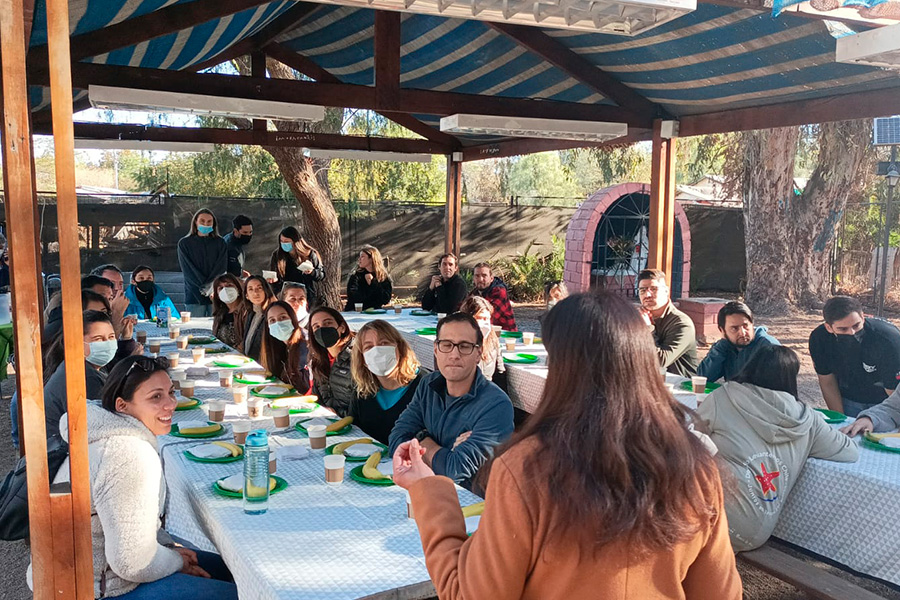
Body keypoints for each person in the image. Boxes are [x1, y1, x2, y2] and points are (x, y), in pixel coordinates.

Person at [392, 293, 741, 599]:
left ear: (560, 369)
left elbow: (471, 593)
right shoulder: (697, 469)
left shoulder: (527, 469)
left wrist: (428, 491)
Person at [48, 355, 238, 599]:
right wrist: (176, 561)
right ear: (122, 406)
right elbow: (131, 563)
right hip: (98, 588)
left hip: (88, 573)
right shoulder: (127, 454)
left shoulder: (112, 434)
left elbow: (138, 526)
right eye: (155, 397)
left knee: (229, 569)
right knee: (240, 593)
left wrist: (169, 549)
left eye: (171, 392)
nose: (171, 404)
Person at [696, 345, 858, 552]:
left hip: (716, 519)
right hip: (756, 532)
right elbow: (850, 451)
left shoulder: (724, 397)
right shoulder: (807, 418)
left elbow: (691, 440)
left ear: (750, 366)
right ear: (791, 377)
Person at [388, 312, 514, 488]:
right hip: (426, 489)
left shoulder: (496, 405)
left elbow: (454, 471)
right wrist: (427, 439)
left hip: (474, 505)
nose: (454, 354)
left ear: (478, 353)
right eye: (446, 345)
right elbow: (396, 440)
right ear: (436, 349)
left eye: (464, 346)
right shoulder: (428, 385)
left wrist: (419, 441)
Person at [12, 310, 116, 449]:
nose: (107, 343)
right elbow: (104, 428)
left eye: (111, 337)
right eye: (98, 339)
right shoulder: (85, 377)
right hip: (60, 456)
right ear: (77, 342)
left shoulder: (77, 365)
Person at [809, 296, 900, 417]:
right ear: (829, 327)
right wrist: (841, 420)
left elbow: (894, 393)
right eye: (843, 329)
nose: (852, 332)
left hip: (884, 402)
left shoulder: (887, 339)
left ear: (863, 317)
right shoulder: (820, 339)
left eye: (856, 326)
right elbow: (827, 382)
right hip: (848, 399)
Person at [349, 320, 425, 445]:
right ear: (362, 359)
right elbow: (354, 431)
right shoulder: (362, 391)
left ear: (399, 348)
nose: (377, 351)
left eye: (384, 343)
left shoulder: (425, 385)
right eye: (369, 347)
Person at [697, 301, 780, 382]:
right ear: (722, 330)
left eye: (745, 326)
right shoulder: (726, 346)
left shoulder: (769, 347)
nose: (742, 333)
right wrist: (721, 347)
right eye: (734, 328)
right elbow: (703, 378)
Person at [637, 269, 698, 377]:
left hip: (680, 387)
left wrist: (647, 329)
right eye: (643, 290)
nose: (647, 294)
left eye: (653, 289)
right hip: (646, 383)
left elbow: (660, 361)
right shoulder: (637, 317)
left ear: (666, 291)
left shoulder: (682, 323)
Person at [177, 208, 227, 318]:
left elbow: (221, 268)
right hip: (194, 296)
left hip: (216, 295)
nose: (206, 224)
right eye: (202, 221)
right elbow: (188, 270)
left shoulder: (220, 242)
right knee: (195, 332)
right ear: (195, 222)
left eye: (209, 221)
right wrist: (205, 289)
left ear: (214, 224)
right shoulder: (184, 243)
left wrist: (212, 288)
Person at [308, 307, 356, 417]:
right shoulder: (318, 360)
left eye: (328, 323)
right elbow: (316, 397)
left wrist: (338, 415)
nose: (322, 330)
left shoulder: (356, 358)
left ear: (342, 327)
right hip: (325, 421)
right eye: (316, 327)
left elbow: (362, 406)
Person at [261, 301, 311, 394]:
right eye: (272, 320)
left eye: (283, 317)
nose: (278, 323)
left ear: (292, 318)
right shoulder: (276, 345)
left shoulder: (306, 345)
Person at [268, 226, 325, 305]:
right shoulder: (277, 255)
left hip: (307, 297)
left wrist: (312, 272)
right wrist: (273, 281)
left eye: (287, 241)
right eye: (282, 241)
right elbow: (276, 276)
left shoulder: (310, 254)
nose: (284, 244)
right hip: (286, 296)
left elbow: (321, 275)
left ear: (295, 242)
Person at [459, 296, 504, 382]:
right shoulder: (456, 343)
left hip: (487, 389)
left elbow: (500, 373)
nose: (485, 323)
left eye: (487, 319)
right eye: (480, 318)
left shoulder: (493, 340)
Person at [237, 276, 276, 362]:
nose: (255, 292)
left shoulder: (273, 314)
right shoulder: (251, 313)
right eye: (251, 289)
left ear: (266, 291)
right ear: (246, 295)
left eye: (259, 288)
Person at [470, 263, 516, 331]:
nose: (480, 279)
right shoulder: (474, 293)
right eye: (477, 276)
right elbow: (463, 309)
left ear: (491, 278)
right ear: (473, 278)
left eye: (484, 275)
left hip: (506, 335)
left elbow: (490, 316)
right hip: (484, 332)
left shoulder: (500, 292)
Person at [345, 244, 392, 311]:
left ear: (371, 258)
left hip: (375, 312)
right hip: (355, 312)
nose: (359, 259)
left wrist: (373, 283)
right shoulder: (356, 276)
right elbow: (353, 297)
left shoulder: (382, 276)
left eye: (362, 257)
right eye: (359, 257)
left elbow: (385, 299)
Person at [211, 273, 244, 348]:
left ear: (238, 289)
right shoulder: (220, 313)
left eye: (229, 286)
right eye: (221, 288)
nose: (225, 290)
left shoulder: (246, 312)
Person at [222, 214, 252, 279]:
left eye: (250, 232)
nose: (248, 235)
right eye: (245, 232)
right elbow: (233, 273)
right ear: (236, 231)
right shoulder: (231, 247)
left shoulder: (237, 241)